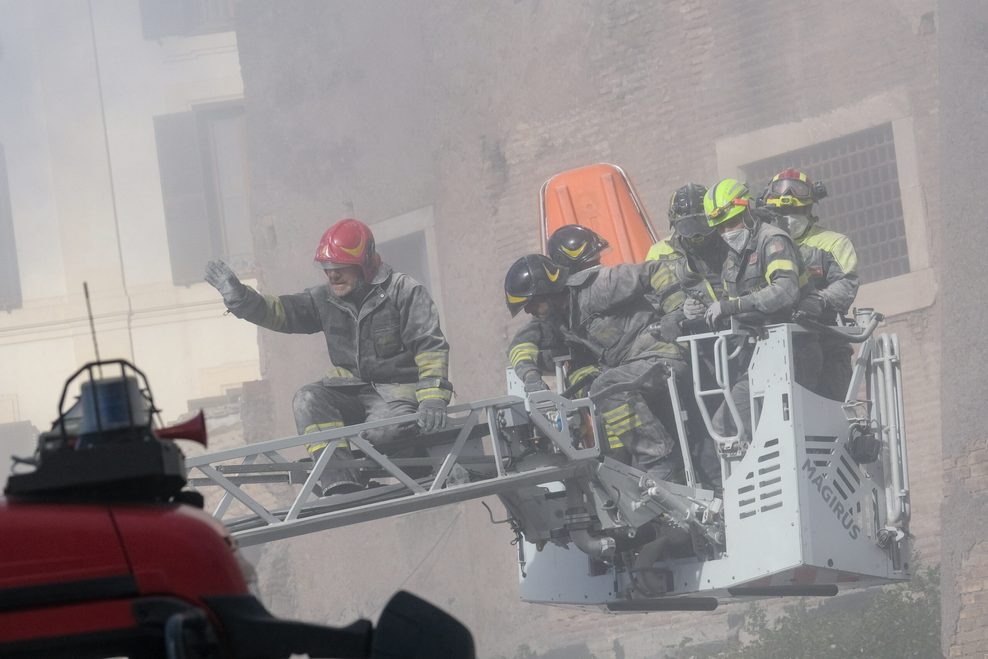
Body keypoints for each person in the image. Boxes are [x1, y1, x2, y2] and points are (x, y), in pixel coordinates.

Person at [204, 218, 452, 492]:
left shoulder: (404, 292)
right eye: (327, 268)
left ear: (366, 265)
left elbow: (429, 345)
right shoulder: (325, 298)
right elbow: (280, 312)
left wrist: (433, 400)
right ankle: (340, 479)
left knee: (385, 431)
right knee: (308, 399)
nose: (332, 275)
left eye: (340, 268)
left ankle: (418, 466)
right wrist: (239, 297)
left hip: (396, 393)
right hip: (349, 389)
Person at [504, 248, 688, 480]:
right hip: (632, 370)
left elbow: (656, 270)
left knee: (605, 385)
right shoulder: (556, 318)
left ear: (547, 291)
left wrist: (675, 312)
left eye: (531, 303)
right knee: (600, 388)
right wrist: (531, 377)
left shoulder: (597, 288)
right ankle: (640, 469)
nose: (529, 310)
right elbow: (520, 345)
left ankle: (662, 459)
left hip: (663, 354)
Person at [702, 178, 821, 444]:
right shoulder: (733, 259)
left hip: (794, 350)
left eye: (732, 223)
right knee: (725, 424)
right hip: (760, 355)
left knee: (764, 424)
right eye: (721, 227)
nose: (727, 231)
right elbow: (727, 298)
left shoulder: (773, 240)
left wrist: (734, 306)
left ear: (747, 213)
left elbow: (785, 290)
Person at [761, 168, 859, 401]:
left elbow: (846, 283)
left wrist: (819, 300)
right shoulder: (763, 246)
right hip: (773, 345)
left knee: (831, 409)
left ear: (810, 208)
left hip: (827, 340)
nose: (789, 216)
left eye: (796, 210)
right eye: (783, 211)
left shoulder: (834, 243)